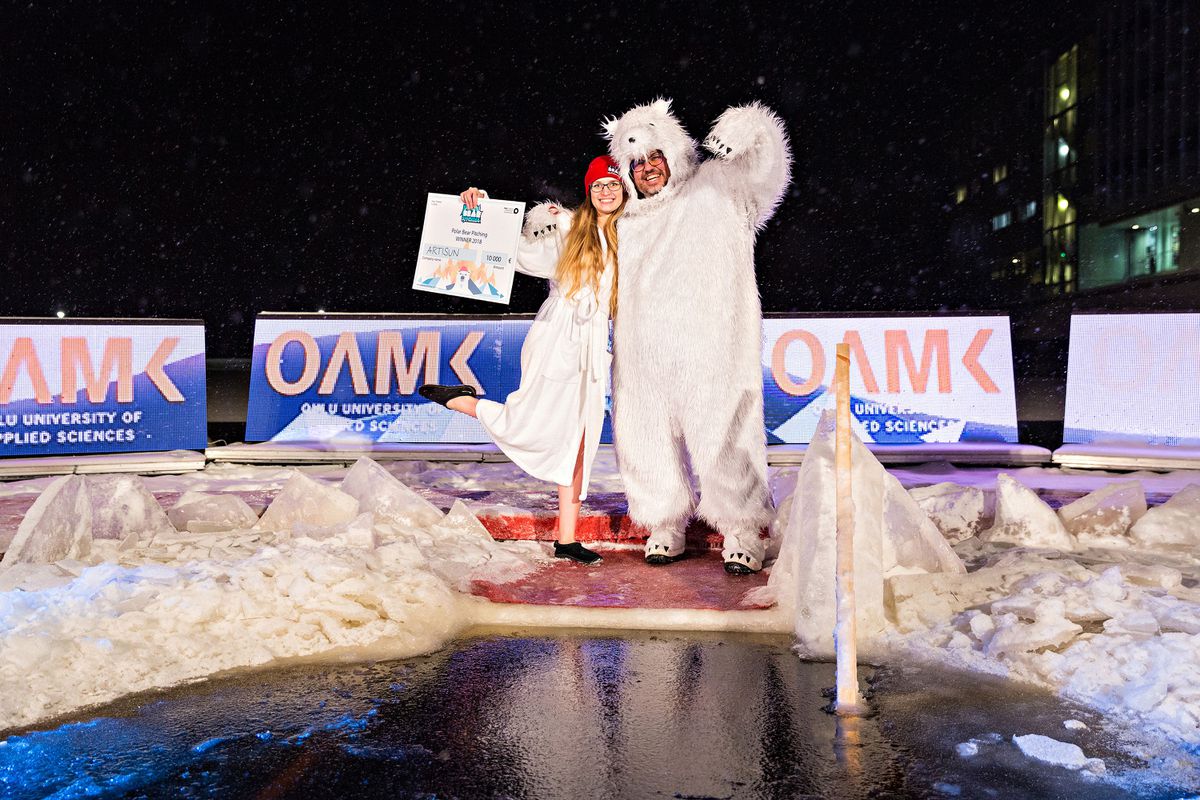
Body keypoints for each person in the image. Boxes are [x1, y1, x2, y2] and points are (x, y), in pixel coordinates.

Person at [602, 99, 792, 574]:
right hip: (642, 354)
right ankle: (663, 522)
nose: (647, 168)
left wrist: (750, 128)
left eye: (655, 156)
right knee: (644, 437)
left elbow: (766, 172)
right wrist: (476, 225)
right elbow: (561, 252)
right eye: (636, 162)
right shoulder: (622, 221)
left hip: (713, 349)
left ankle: (743, 529)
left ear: (673, 151)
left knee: (726, 434)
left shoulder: (718, 188)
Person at [418, 156, 626, 566]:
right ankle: (463, 401)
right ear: (589, 191)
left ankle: (567, 540)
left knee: (579, 442)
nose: (606, 192)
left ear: (624, 191)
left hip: (593, 345)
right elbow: (513, 251)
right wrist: (480, 209)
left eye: (613, 185)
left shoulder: (628, 235)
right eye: (598, 185)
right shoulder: (566, 226)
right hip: (558, 335)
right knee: (530, 421)